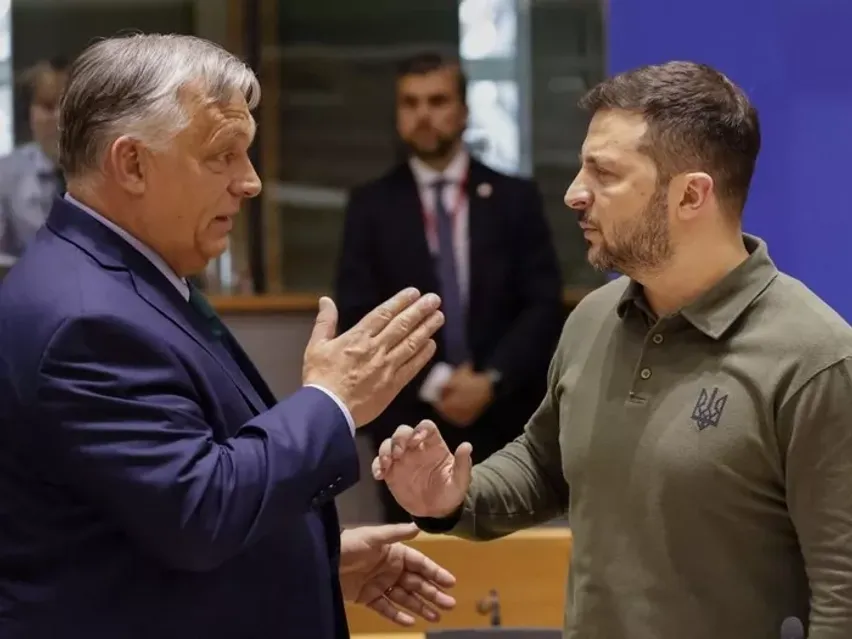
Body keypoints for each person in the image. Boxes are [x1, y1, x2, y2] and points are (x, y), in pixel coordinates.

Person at [372, 61, 852, 639]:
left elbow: (843, 591)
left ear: (691, 195)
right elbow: (544, 463)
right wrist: (453, 495)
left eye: (604, 173)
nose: (575, 193)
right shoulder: (593, 319)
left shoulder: (815, 359)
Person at [0, 34, 456, 639]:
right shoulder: (85, 320)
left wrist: (308, 563)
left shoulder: (120, 279)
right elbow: (200, 509)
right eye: (223, 155)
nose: (251, 182)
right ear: (131, 164)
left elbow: (148, 518)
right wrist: (333, 400)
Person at [335, 52, 563, 523]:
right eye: (410, 103)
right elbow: (358, 311)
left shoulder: (514, 198)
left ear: (463, 111)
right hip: (408, 421)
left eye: (437, 101)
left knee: (512, 555)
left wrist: (491, 380)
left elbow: (542, 303)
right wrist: (437, 382)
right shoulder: (371, 206)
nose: (423, 115)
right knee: (417, 558)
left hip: (507, 415)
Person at [0, 57, 68, 258]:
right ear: (28, 113)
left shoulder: (108, 171)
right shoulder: (6, 174)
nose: (59, 117)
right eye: (48, 106)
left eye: (68, 106)